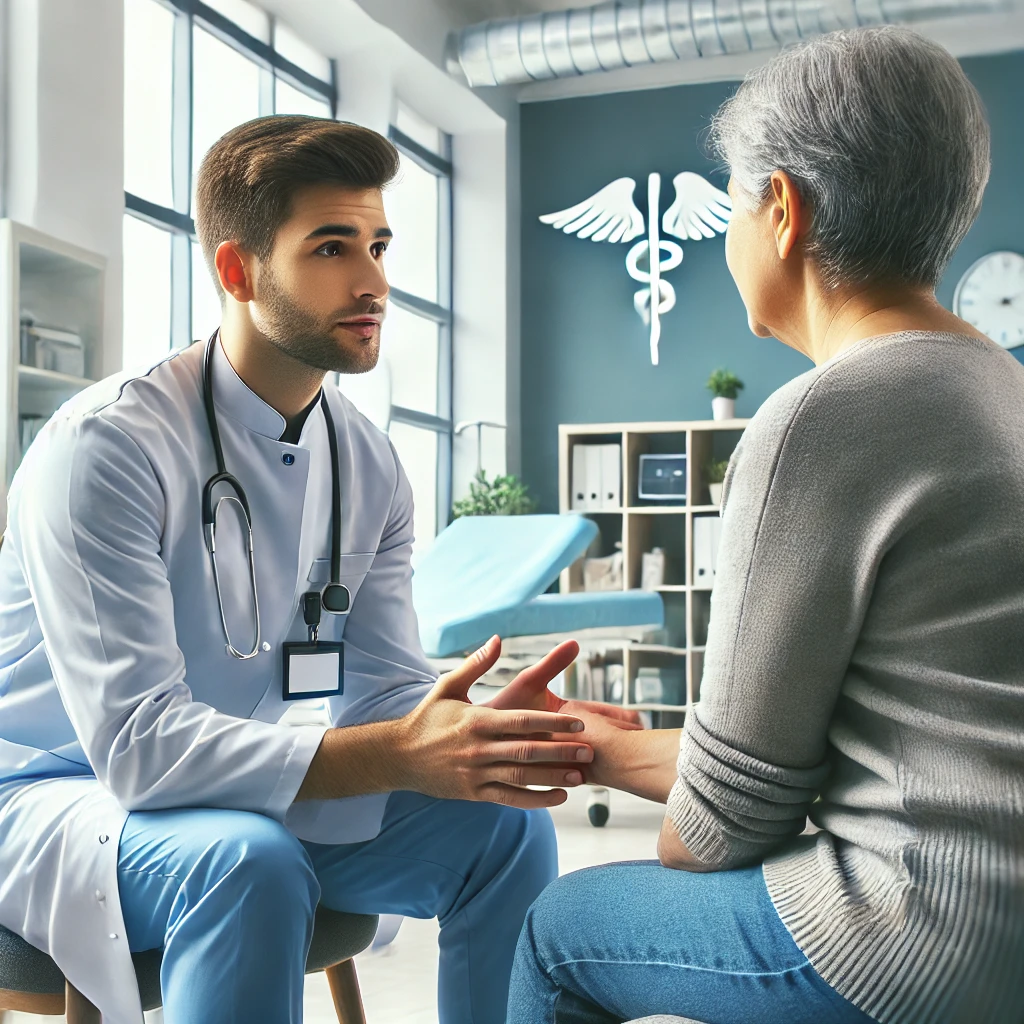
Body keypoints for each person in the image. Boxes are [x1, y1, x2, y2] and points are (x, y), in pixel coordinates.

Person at [0, 116, 632, 1024]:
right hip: (53, 792)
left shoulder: (367, 462)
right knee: (246, 862)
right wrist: (398, 752)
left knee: (506, 825)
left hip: (238, 786)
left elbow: (378, 694)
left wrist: (481, 733)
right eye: (332, 247)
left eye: (378, 245)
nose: (373, 281)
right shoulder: (108, 447)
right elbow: (138, 750)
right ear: (237, 270)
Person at [506, 25, 1024, 1024]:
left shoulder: (820, 418)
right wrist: (592, 743)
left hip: (922, 937)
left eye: (733, 207)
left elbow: (719, 830)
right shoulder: (999, 391)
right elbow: (820, 749)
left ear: (780, 209)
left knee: (559, 930)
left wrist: (696, 786)